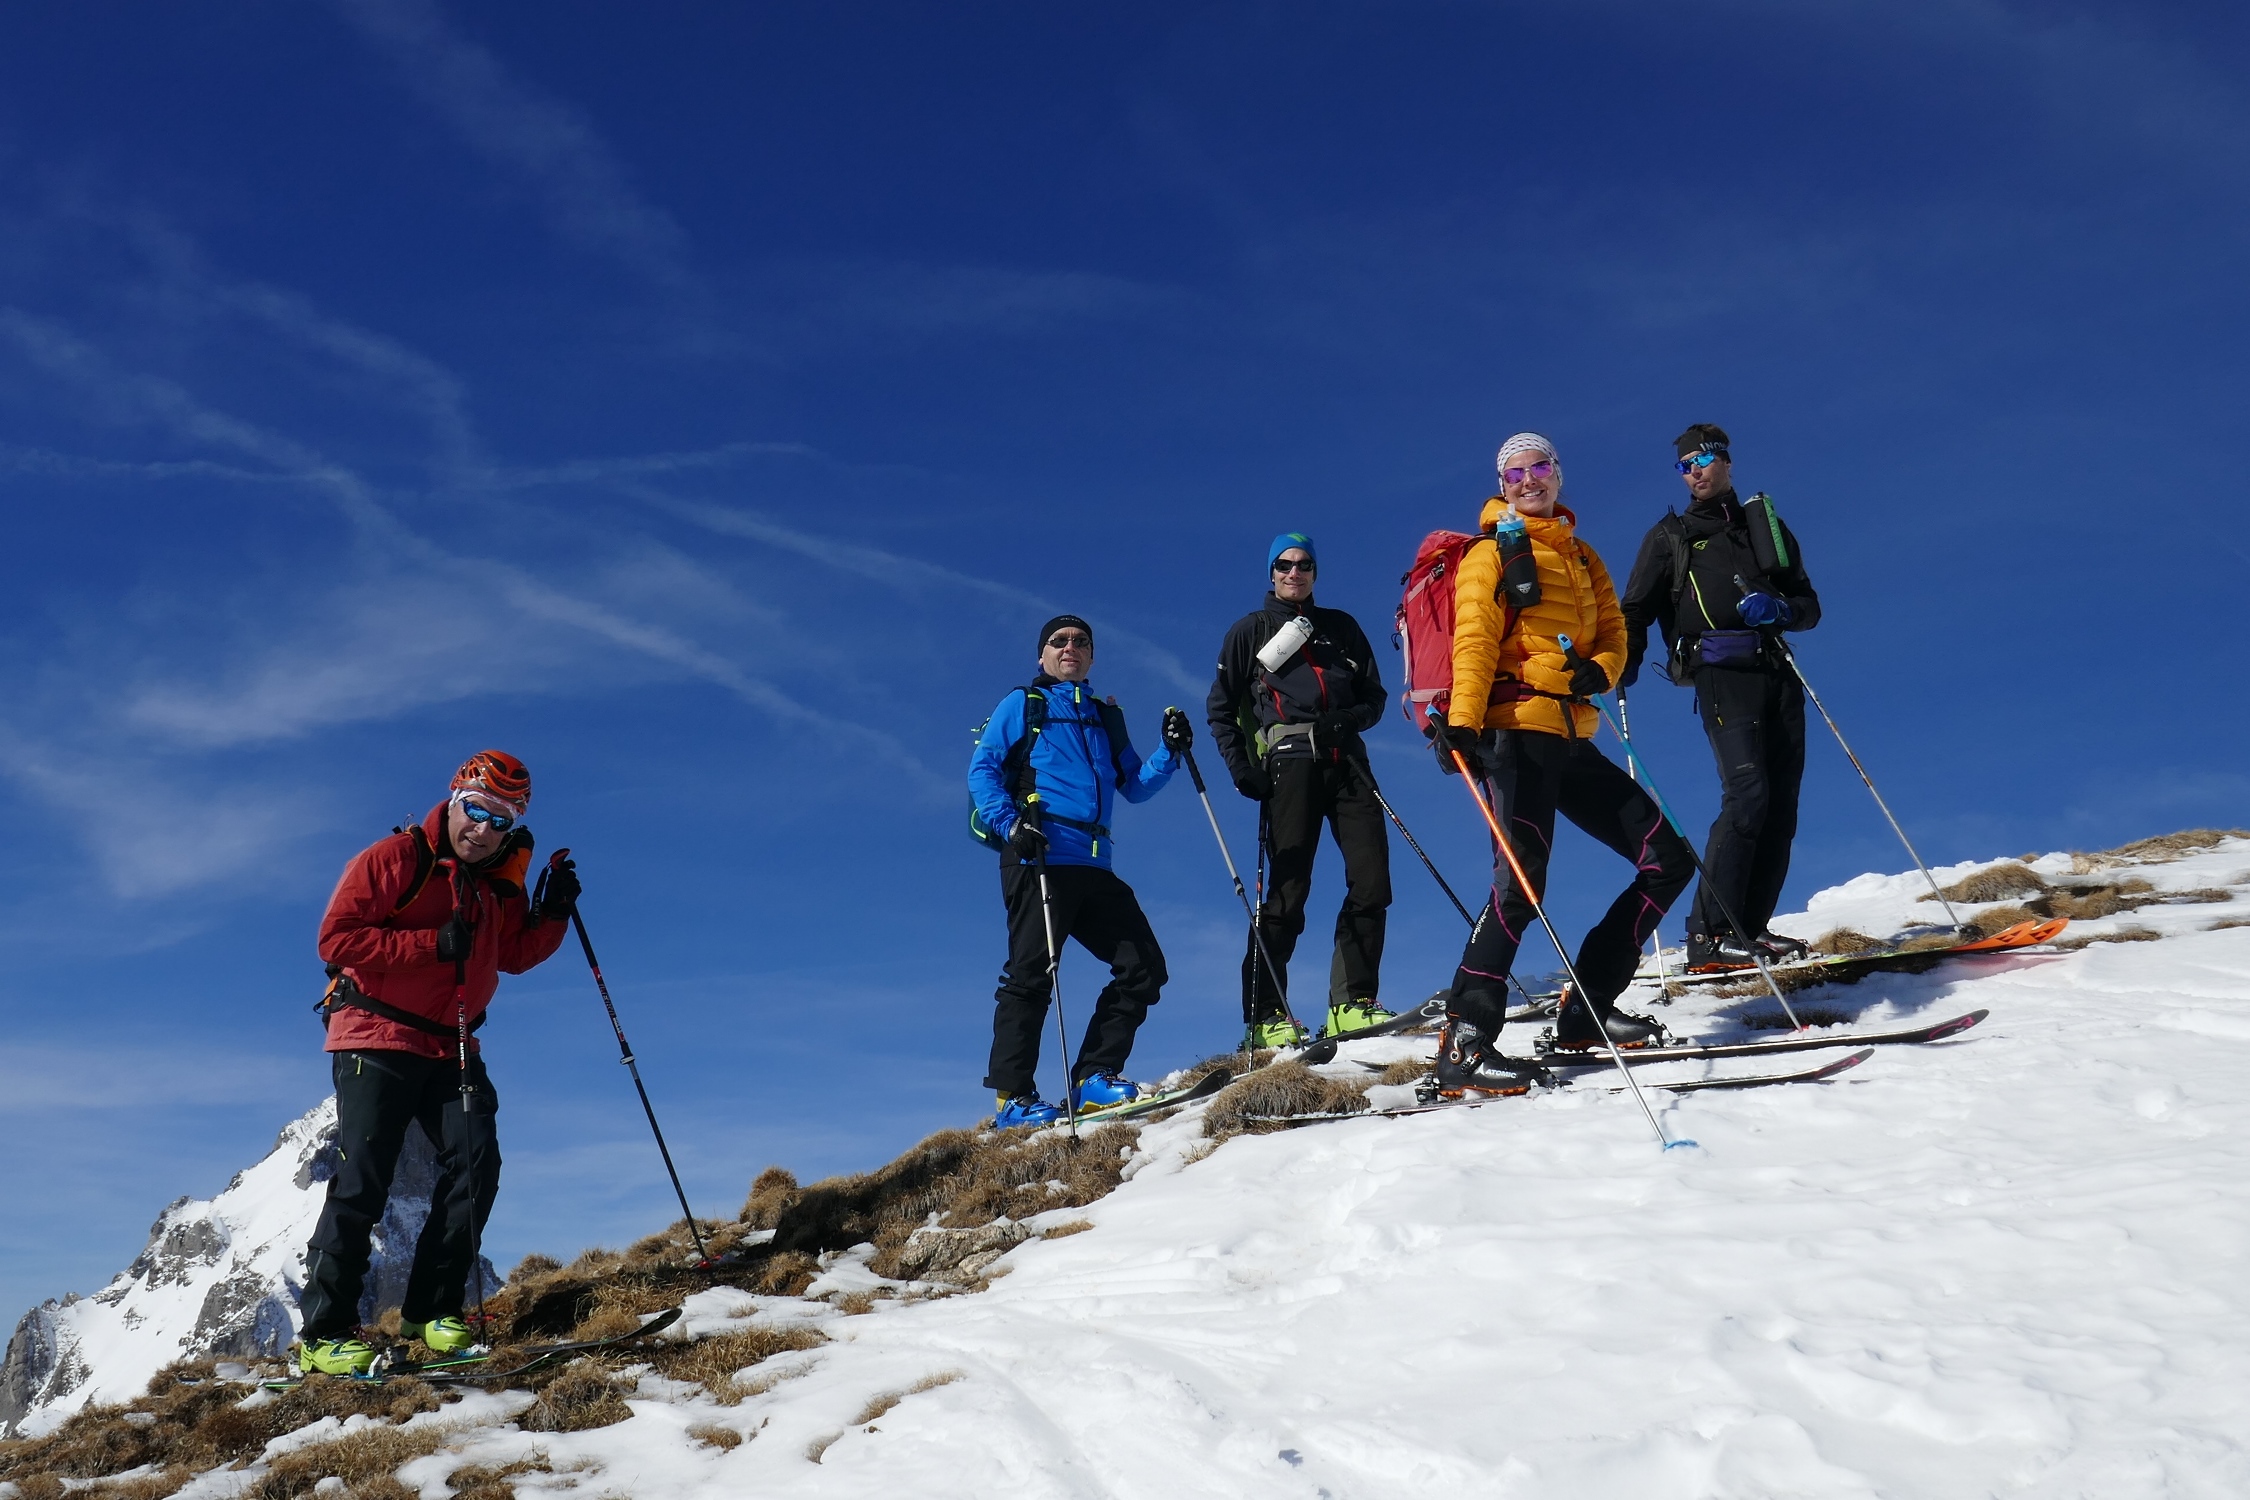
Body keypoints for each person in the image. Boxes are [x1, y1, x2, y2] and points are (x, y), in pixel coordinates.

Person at [296, 751, 578, 1375]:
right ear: (454, 799)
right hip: (376, 1033)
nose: (483, 829)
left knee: (477, 1161)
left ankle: (432, 1311)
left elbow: (513, 954)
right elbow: (336, 938)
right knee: (365, 1176)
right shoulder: (391, 859)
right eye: (476, 811)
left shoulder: (487, 886)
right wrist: (431, 945)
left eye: (500, 821)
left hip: (452, 1044)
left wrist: (553, 911)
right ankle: (325, 1334)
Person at [1430, 433, 1694, 1094]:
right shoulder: (1491, 552)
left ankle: (1585, 1011)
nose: (1528, 479)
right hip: (1512, 733)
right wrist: (1461, 725)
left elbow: (1615, 635)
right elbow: (1475, 640)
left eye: (1539, 467)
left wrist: (1593, 674)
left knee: (1668, 860)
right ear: (1501, 482)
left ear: (1557, 474)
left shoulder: (1582, 556)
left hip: (1571, 733)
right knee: (1520, 885)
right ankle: (1464, 1042)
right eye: (1514, 471)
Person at [968, 615, 1192, 1127]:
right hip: (1038, 854)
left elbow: (1134, 783)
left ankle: (1094, 1078)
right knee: (1031, 976)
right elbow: (982, 769)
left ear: (1091, 656)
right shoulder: (1024, 705)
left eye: (1081, 642)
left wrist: (1170, 750)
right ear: (1042, 655)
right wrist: (1010, 826)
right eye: (1059, 641)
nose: (1071, 647)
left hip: (1095, 863)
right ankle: (1013, 1099)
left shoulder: (1103, 716)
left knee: (1144, 968)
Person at [1619, 423, 1822, 970]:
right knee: (1748, 793)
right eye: (1683, 464)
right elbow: (1634, 608)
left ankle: (1748, 929)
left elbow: (1809, 604)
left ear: (1725, 459)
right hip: (1719, 674)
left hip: (1776, 671)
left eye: (1702, 458)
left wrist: (1782, 612)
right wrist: (1625, 660)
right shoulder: (1670, 536)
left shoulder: (1763, 525)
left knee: (1782, 803)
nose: (1693, 471)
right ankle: (1709, 935)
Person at [1204, 532, 1394, 1048]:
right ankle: (1265, 1017)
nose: (1295, 572)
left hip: (1347, 760)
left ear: (1315, 571)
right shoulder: (1250, 631)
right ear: (1271, 572)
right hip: (1289, 763)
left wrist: (1348, 719)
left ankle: (1352, 1003)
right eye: (1284, 564)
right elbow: (1220, 709)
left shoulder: (1341, 627)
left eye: (1305, 563)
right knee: (1288, 891)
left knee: (1372, 880)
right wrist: (1242, 769)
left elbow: (1374, 695)